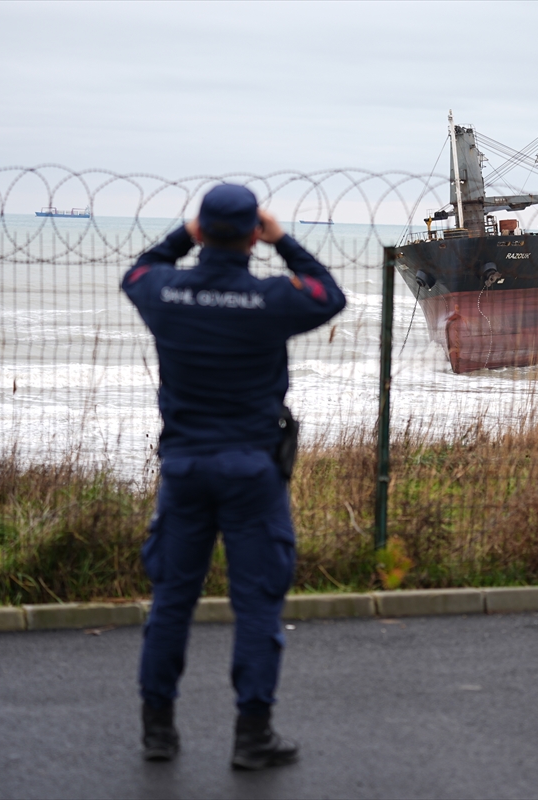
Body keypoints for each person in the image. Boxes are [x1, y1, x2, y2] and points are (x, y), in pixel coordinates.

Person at [120, 183, 345, 770]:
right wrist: (283, 241)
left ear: (201, 231)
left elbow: (136, 273)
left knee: (172, 601)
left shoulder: (165, 293)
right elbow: (328, 294)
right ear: (252, 235)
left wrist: (182, 236)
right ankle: (252, 736)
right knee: (257, 604)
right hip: (251, 471)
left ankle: (158, 731)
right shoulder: (270, 299)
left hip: (185, 468)